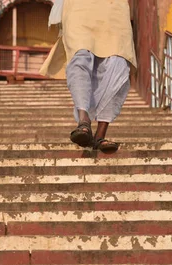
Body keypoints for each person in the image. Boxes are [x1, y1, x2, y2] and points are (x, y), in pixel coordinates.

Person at [40, 0, 136, 153]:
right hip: (79, 6)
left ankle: (100, 135)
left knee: (118, 63)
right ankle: (84, 120)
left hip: (114, 6)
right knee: (80, 55)